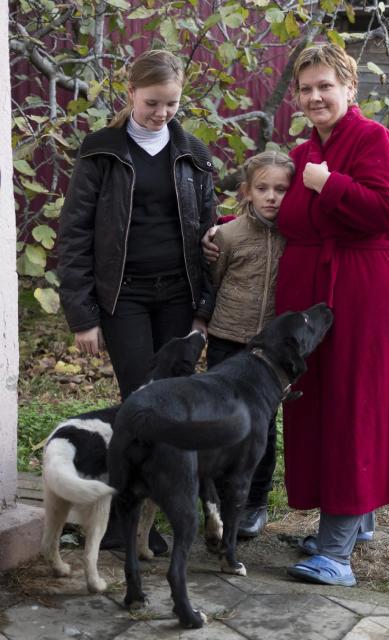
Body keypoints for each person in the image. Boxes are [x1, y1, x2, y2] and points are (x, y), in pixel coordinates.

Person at [205, 43, 389, 586]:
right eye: (305, 88)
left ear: (350, 88)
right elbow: (276, 207)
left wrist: (331, 184)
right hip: (313, 302)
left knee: (353, 409)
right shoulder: (302, 154)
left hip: (366, 294)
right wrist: (226, 228)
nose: (315, 96)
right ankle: (356, 518)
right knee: (318, 409)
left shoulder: (376, 141)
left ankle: (336, 553)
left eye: (326, 85)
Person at [58, 49, 217, 553]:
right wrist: (83, 315)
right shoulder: (102, 150)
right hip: (123, 299)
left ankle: (164, 513)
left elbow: (210, 238)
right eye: (152, 103)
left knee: (175, 408)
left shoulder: (193, 152)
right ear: (130, 95)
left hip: (178, 296)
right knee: (140, 404)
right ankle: (126, 521)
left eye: (171, 103)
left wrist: (203, 309)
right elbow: (75, 233)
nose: (162, 113)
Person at [205, 150, 294, 538]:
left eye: (281, 189)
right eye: (263, 188)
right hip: (226, 339)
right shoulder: (226, 236)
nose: (272, 197)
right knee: (221, 422)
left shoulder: (296, 238)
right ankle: (219, 502)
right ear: (246, 191)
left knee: (261, 428)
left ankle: (254, 502)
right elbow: (214, 280)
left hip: (268, 353)